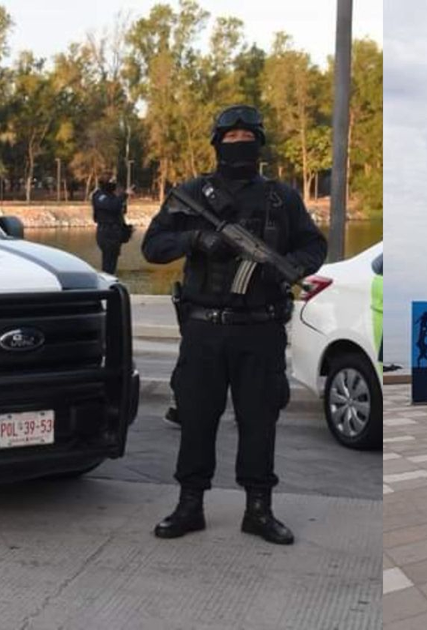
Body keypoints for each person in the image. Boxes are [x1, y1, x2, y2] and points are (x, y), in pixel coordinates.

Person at [142, 104, 327, 545]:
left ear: (261, 146)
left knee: (259, 421)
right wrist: (198, 240)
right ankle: (190, 505)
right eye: (232, 141)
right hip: (204, 329)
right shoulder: (192, 193)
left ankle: (258, 509)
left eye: (248, 141)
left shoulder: (281, 198)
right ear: (217, 146)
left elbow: (314, 245)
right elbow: (153, 245)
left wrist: (286, 268)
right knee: (197, 418)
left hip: (260, 330)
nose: (240, 148)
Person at [91, 180, 128, 274]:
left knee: (113, 260)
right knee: (108, 260)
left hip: (115, 232)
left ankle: (111, 279)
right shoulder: (99, 195)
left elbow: (121, 210)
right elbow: (111, 206)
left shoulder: (113, 196)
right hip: (106, 231)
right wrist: (124, 195)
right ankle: (107, 281)